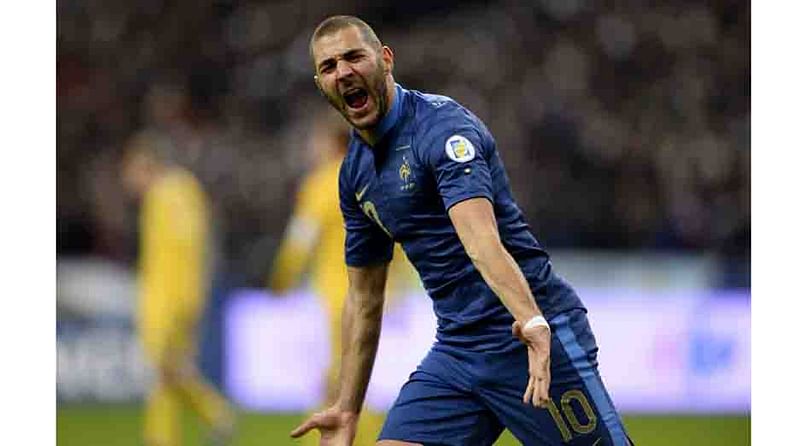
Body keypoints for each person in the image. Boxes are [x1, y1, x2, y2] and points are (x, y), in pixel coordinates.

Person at [291, 15, 634, 446]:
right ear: (321, 84)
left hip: (527, 333)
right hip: (458, 351)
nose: (343, 71)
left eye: (354, 57)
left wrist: (531, 321)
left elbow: (480, 241)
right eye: (329, 66)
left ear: (385, 59)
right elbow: (363, 300)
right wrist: (346, 406)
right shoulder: (354, 175)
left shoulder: (442, 128)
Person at [268, 108, 389, 446]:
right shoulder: (368, 176)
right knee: (345, 375)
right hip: (368, 289)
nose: (311, 147)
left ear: (329, 143)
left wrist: (281, 279)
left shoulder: (321, 183)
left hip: (338, 294)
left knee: (342, 378)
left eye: (315, 141)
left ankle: (359, 439)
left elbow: (300, 239)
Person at [121, 130, 235, 446]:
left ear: (145, 164)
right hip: (180, 296)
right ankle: (165, 434)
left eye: (130, 170)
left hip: (168, 300)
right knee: (167, 373)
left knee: (166, 370)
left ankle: (212, 414)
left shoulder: (166, 193)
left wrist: (180, 301)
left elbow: (183, 248)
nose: (129, 180)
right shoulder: (184, 189)